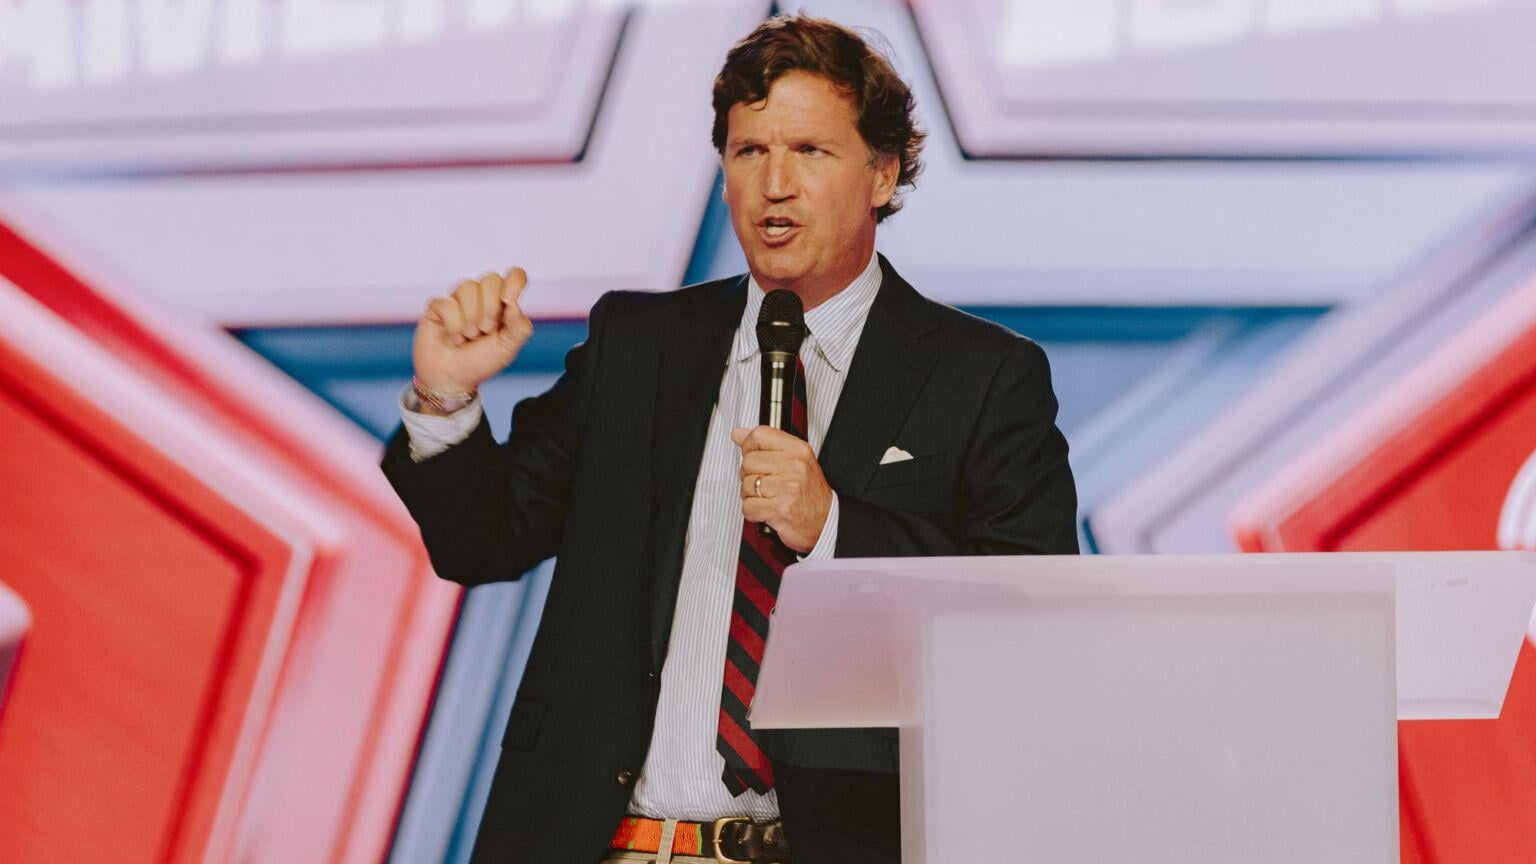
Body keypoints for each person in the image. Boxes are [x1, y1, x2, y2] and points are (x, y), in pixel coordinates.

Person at [381, 13, 1078, 864]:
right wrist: (445, 395)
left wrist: (833, 528)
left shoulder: (983, 376)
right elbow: (482, 540)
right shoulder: (638, 348)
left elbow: (1026, 621)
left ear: (883, 174)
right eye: (750, 152)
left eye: (810, 151)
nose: (774, 185)